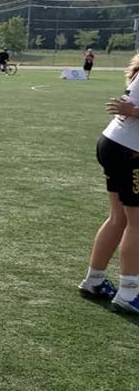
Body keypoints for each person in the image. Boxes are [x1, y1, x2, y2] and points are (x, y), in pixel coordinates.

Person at [79, 54, 139, 312]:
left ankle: (94, 280)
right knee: (137, 223)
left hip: (113, 143)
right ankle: (129, 293)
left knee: (118, 218)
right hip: (130, 151)